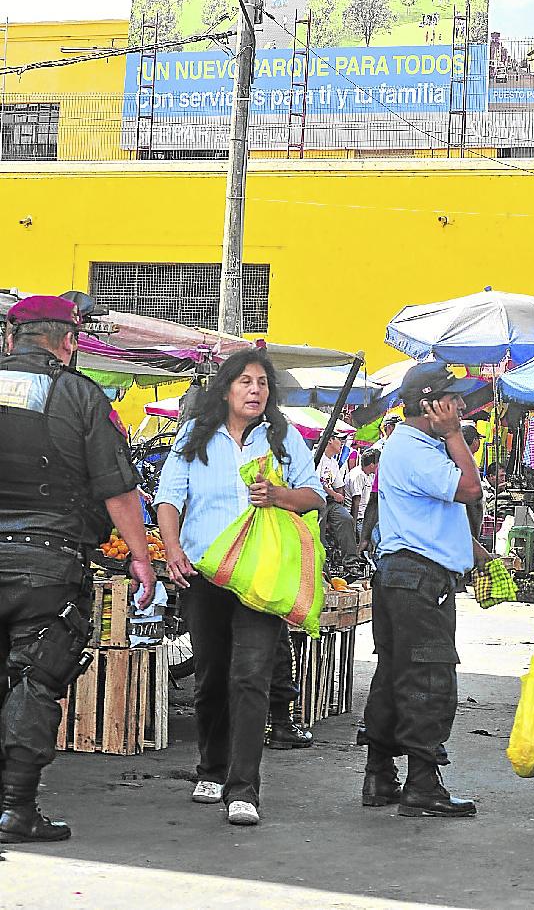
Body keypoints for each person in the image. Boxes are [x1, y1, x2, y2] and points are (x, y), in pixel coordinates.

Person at [0, 295, 155, 844]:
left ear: (11, 338)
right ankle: (16, 810)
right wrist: (140, 556)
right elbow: (117, 490)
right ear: (68, 342)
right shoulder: (80, 397)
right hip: (47, 564)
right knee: (34, 680)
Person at [155, 349, 325, 826]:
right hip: (205, 573)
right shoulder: (194, 436)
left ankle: (244, 788)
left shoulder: (282, 438)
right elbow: (169, 498)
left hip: (262, 575)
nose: (255, 391)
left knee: (250, 676)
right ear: (226, 389)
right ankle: (210, 766)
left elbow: (313, 496)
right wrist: (171, 551)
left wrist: (280, 496)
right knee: (211, 675)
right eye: (245, 382)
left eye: (263, 383)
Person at [360, 361, 482, 818]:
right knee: (428, 678)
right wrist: (454, 435)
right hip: (418, 580)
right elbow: (469, 488)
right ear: (431, 405)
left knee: (396, 674)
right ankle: (422, 783)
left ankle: (380, 773)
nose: (461, 406)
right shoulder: (417, 449)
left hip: (406, 575)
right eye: (452, 399)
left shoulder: (411, 448)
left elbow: (435, 517)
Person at [317, 434, 361, 582]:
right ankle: (321, 567)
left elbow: (339, 486)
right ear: (329, 440)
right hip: (317, 500)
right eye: (339, 440)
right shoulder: (316, 456)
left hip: (331, 502)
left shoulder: (334, 463)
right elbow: (317, 483)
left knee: (346, 518)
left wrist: (339, 496)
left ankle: (351, 564)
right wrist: (334, 494)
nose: (341, 443)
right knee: (319, 527)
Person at [344, 448, 380, 536]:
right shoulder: (357, 475)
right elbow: (356, 502)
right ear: (372, 465)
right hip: (360, 518)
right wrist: (353, 526)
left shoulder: (371, 474)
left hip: (367, 516)